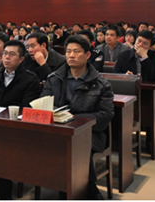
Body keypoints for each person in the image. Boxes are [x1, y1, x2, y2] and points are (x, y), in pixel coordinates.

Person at [41, 35, 114, 200]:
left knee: (74, 147)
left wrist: (73, 120)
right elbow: (44, 103)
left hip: (90, 134)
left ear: (87, 55)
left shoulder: (101, 84)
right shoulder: (54, 78)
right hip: (57, 131)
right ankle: (88, 190)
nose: (71, 55)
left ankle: (73, 192)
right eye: (68, 51)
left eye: (76, 51)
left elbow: (105, 115)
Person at [0, 40, 41, 200]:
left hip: (17, 128)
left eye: (12, 54)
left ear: (21, 59)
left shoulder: (30, 79)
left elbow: (27, 109)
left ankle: (5, 196)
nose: (7, 57)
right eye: (5, 54)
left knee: (4, 149)